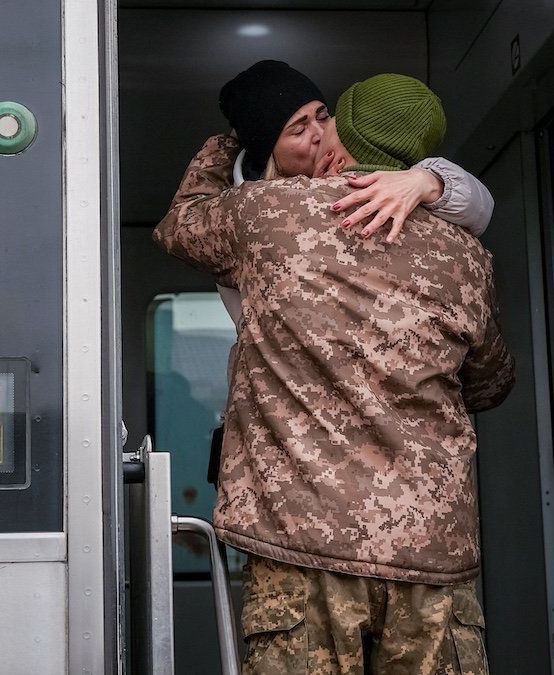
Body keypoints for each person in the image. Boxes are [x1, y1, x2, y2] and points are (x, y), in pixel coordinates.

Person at [153, 73, 515, 674]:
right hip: (430, 553)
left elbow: (182, 223)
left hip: (301, 546)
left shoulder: (265, 217)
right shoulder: (465, 254)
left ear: (344, 131)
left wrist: (233, 140)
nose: (319, 135)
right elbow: (490, 382)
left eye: (327, 119)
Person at [204, 60, 495, 485]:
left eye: (322, 116)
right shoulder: (251, 216)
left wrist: (425, 179)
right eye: (297, 129)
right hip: (303, 450)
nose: (320, 134)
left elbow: (480, 204)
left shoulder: (394, 189)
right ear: (268, 151)